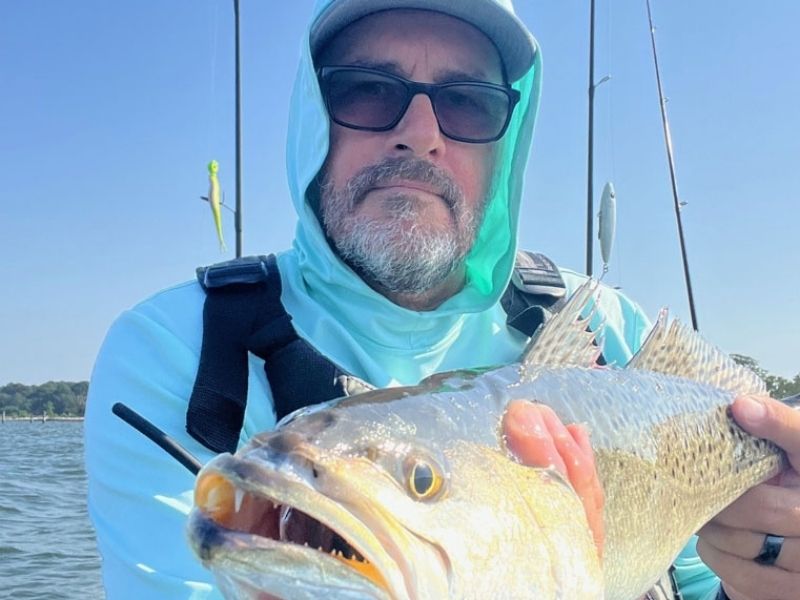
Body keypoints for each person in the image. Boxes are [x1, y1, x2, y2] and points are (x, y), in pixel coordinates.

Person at [85, 1, 800, 599]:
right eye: (368, 89)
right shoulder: (176, 349)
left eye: (466, 102)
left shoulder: (611, 333)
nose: (420, 135)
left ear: (506, 142)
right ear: (312, 113)